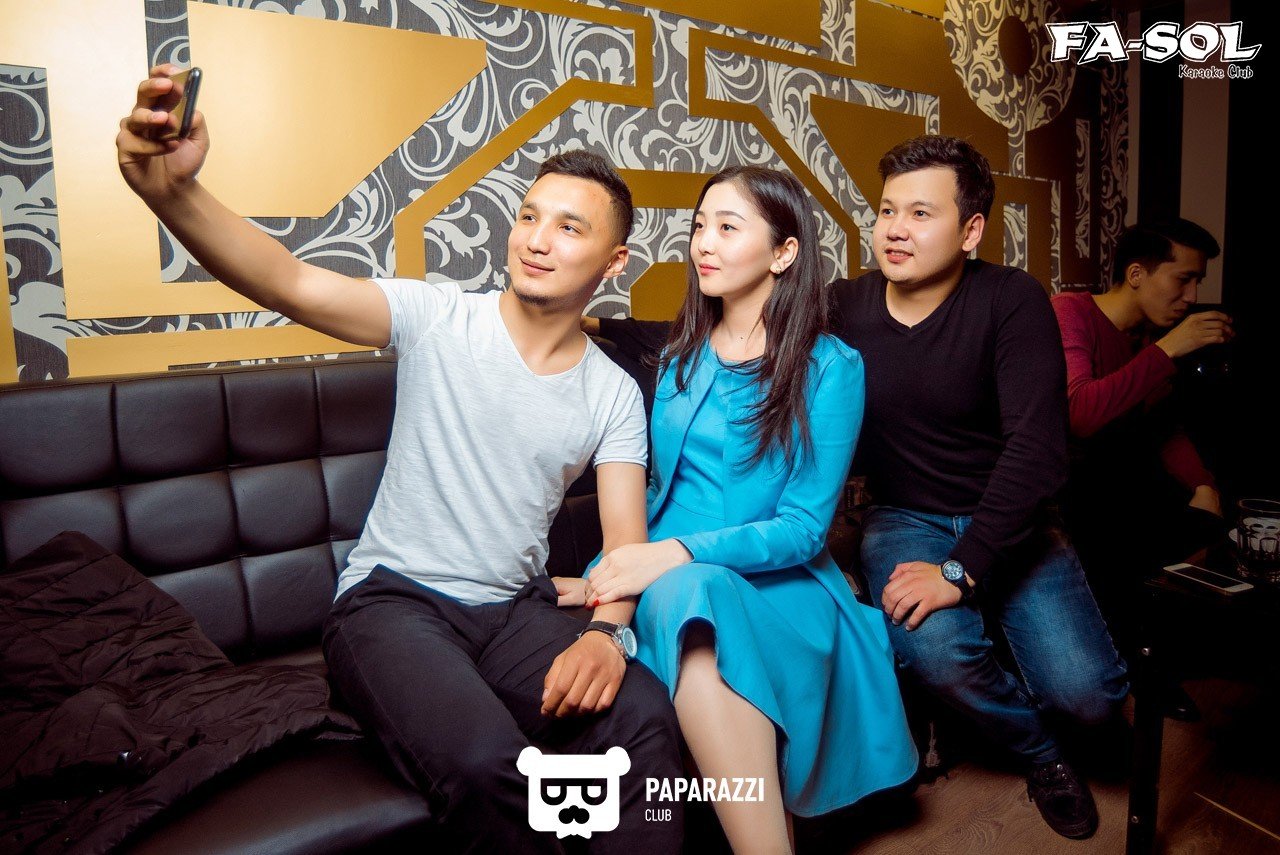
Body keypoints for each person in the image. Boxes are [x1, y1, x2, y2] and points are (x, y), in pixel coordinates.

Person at [116, 65, 684, 853]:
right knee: (489, 764)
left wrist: (606, 636)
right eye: (528, 215)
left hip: (514, 612)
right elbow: (288, 282)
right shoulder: (437, 316)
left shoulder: (613, 392)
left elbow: (624, 548)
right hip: (394, 607)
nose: (535, 239)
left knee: (647, 721)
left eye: (568, 227)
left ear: (614, 262)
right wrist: (172, 195)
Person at [566, 167, 917, 853]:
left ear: (783, 253)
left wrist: (673, 556)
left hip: (778, 581)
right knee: (690, 598)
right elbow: (658, 493)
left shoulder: (831, 367)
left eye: (728, 227)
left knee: (695, 593)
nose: (704, 242)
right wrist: (614, 569)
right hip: (668, 573)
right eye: (700, 225)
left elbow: (804, 528)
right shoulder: (679, 355)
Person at [833, 136, 1128, 840]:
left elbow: (1038, 452)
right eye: (887, 210)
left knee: (1092, 698)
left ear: (970, 231)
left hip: (1012, 516)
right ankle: (1040, 752)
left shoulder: (1010, 298)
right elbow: (747, 333)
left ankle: (1041, 701)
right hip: (904, 517)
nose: (895, 229)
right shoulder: (843, 305)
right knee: (939, 655)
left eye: (921, 213)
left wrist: (961, 570)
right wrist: (595, 326)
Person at [1052, 220, 1230, 703]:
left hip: (1121, 493)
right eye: (1183, 279)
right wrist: (1169, 350)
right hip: (1068, 496)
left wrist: (1204, 485)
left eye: (1198, 282)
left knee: (1211, 518)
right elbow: (1080, 413)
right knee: (1123, 500)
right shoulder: (1070, 312)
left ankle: (1157, 658)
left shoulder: (1147, 338)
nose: (1192, 297)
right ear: (1136, 274)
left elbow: (1165, 428)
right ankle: (1136, 665)